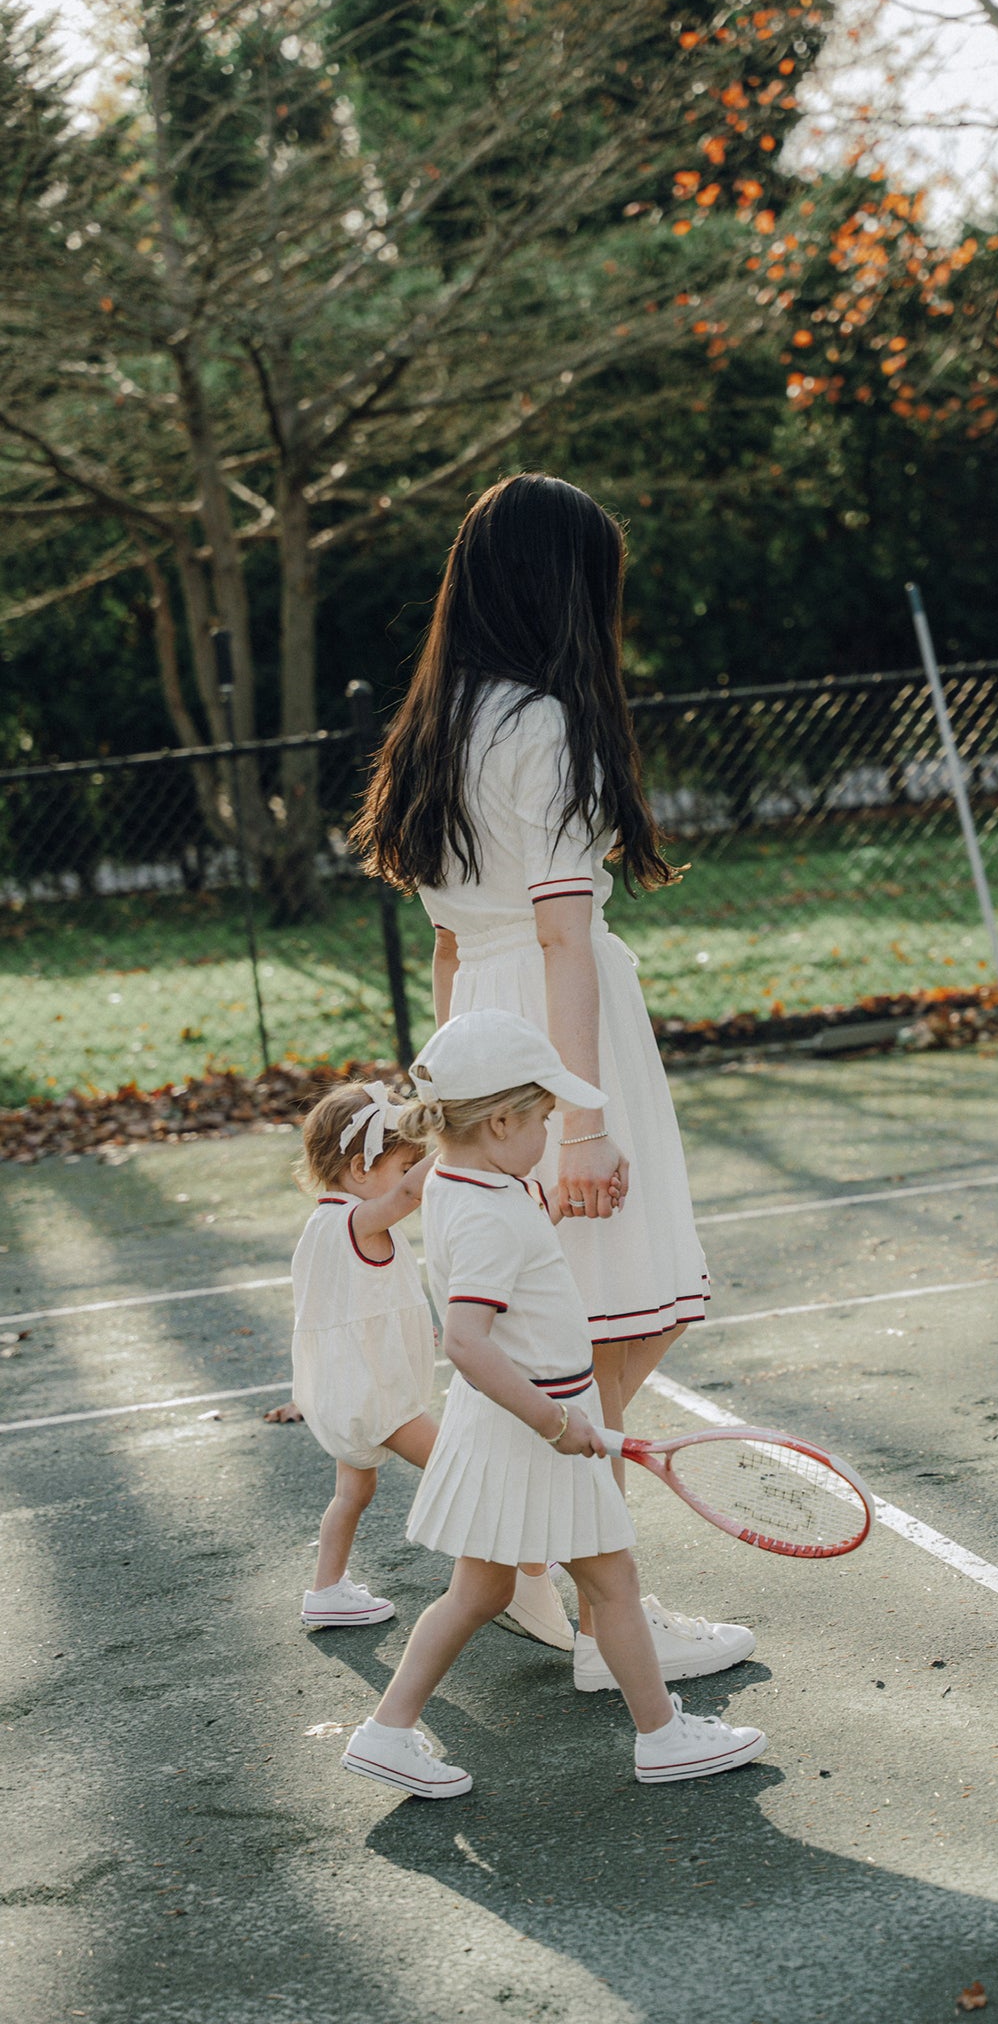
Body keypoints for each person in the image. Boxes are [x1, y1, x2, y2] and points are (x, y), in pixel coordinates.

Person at [353, 470, 754, 1684]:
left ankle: (547, 1579)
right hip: (553, 1036)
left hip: (485, 1030)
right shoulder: (542, 723)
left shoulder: (437, 722)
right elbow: (565, 934)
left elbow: (444, 944)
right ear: (564, 589)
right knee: (625, 1312)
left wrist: (449, 1107)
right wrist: (575, 1123)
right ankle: (593, 1602)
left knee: (584, 1318)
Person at [340, 1011, 767, 1795]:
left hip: (506, 1431)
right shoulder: (488, 1211)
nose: (549, 1130)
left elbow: (513, 1237)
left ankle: (386, 1731)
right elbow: (465, 1341)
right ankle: (662, 1737)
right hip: (534, 1428)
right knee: (612, 1584)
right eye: (543, 1117)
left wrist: (562, 1207)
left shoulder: (461, 1180)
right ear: (501, 1120)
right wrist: (556, 1421)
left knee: (480, 1591)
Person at [285, 1081, 440, 1628]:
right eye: (405, 1165)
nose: (412, 1178)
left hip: (346, 1388)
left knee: (353, 1493)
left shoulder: (326, 1223)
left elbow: (363, 1305)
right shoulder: (355, 1221)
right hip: (377, 1395)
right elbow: (406, 1198)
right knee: (461, 1465)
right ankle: (530, 1564)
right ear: (358, 1170)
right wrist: (455, 1144)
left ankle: (326, 1590)